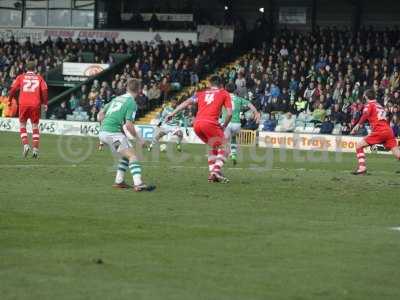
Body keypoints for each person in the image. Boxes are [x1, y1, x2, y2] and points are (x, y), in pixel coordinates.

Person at [166, 75, 233, 183]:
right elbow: (229, 114)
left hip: (197, 125)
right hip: (210, 123)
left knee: (213, 146)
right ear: (221, 84)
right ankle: (215, 171)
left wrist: (172, 114)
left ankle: (213, 174)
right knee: (226, 148)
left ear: (210, 84)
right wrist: (224, 125)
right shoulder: (224, 93)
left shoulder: (201, 93)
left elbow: (186, 102)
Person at [97, 79, 155, 192]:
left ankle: (119, 181)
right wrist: (139, 139)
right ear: (139, 90)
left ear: (127, 88)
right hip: (113, 134)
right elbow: (129, 125)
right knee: (133, 156)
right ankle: (138, 184)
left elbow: (100, 115)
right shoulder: (132, 103)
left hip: (104, 133)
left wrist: (104, 127)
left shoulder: (116, 98)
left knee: (126, 154)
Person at [351, 89, 400, 175]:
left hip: (380, 131)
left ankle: (362, 167)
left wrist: (358, 125)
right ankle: (362, 168)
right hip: (388, 130)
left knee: (359, 146)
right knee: (396, 151)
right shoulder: (379, 105)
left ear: (366, 96)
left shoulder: (369, 104)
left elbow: (365, 114)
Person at [8, 61, 48, 158]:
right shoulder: (39, 78)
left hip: (23, 104)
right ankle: (35, 150)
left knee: (22, 125)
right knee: (35, 126)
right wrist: (45, 103)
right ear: (35, 69)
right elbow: (44, 90)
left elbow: (13, 89)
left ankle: (26, 145)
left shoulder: (21, 77)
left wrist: (9, 99)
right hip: (35, 104)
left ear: (26, 68)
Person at [223, 83, 260, 165]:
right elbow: (250, 104)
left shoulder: (223, 98)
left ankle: (226, 155)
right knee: (233, 139)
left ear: (225, 89)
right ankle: (233, 155)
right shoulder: (239, 99)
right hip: (237, 124)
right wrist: (256, 113)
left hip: (227, 122)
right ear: (234, 90)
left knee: (223, 140)